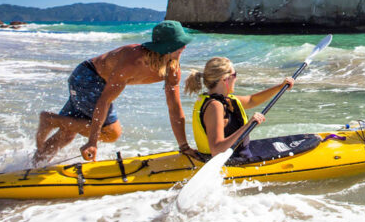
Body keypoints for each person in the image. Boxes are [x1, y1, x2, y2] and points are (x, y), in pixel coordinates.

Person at [33, 20, 197, 165]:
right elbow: (104, 100)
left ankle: (33, 167)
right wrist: (92, 141)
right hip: (88, 78)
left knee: (68, 133)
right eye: (178, 44)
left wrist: (184, 146)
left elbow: (174, 108)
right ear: (164, 48)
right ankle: (51, 119)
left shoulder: (172, 69)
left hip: (93, 80)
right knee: (111, 133)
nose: (184, 46)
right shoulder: (133, 62)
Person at [184, 57, 294, 159]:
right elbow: (216, 150)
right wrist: (248, 126)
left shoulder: (223, 99)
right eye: (234, 74)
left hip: (235, 156)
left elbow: (252, 100)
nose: (236, 78)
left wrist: (280, 87)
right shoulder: (214, 106)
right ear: (224, 79)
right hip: (228, 162)